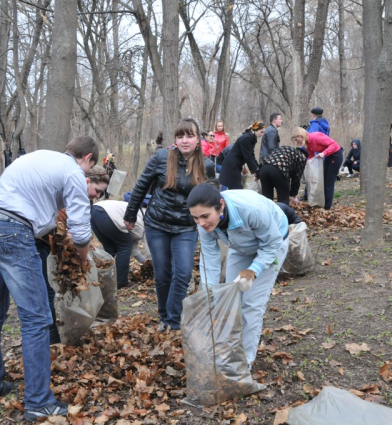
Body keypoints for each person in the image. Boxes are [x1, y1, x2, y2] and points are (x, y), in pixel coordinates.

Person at [0, 135, 99, 421]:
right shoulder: (73, 172)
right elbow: (81, 231)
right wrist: (82, 260)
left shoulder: (38, 157)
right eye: (90, 166)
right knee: (36, 318)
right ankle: (38, 402)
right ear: (88, 159)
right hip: (14, 233)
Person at [123, 119, 214, 331]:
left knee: (182, 273)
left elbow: (211, 196)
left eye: (189, 136)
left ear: (198, 140)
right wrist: (130, 215)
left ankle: (174, 322)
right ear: (175, 139)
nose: (184, 141)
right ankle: (165, 318)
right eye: (180, 136)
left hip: (185, 226)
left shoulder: (206, 165)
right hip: (158, 224)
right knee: (162, 274)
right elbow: (140, 187)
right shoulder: (162, 157)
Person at [188, 184, 289, 366]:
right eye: (195, 218)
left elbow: (272, 243)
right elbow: (210, 259)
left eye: (205, 216)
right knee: (231, 299)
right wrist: (210, 294)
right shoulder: (204, 225)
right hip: (239, 247)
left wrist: (254, 269)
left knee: (251, 304)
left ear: (221, 205)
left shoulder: (252, 210)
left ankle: (244, 362)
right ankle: (227, 351)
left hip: (272, 245)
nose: (201, 223)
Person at [37, 166, 110, 344]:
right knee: (46, 292)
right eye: (97, 190)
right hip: (38, 244)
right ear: (86, 182)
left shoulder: (80, 199)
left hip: (51, 246)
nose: (98, 195)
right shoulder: (66, 195)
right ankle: (52, 340)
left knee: (54, 292)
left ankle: (63, 333)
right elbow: (53, 227)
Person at [91, 199, 147, 289]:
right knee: (124, 246)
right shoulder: (147, 220)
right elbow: (132, 245)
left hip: (95, 211)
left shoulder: (143, 211)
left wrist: (144, 262)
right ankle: (121, 282)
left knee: (110, 249)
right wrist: (149, 262)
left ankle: (98, 278)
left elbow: (133, 246)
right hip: (108, 214)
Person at [292, 127, 343, 210]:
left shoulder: (315, 137)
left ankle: (327, 207)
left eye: (296, 139)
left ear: (300, 136)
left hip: (336, 155)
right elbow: (311, 156)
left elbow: (334, 145)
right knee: (323, 181)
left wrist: (323, 153)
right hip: (328, 156)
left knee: (329, 183)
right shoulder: (307, 143)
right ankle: (322, 203)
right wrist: (308, 164)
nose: (296, 141)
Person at [256, 139, 308, 205]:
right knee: (283, 198)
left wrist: (257, 174)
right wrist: (294, 195)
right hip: (279, 170)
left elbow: (268, 157)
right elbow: (296, 178)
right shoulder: (301, 157)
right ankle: (282, 214)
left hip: (263, 168)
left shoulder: (284, 149)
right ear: (305, 156)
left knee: (267, 198)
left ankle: (266, 214)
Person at [219, 121, 266, 190]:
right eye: (261, 132)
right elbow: (248, 157)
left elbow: (251, 155)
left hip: (235, 165)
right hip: (231, 165)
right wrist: (256, 172)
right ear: (255, 129)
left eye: (263, 132)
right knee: (235, 188)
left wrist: (257, 169)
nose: (262, 134)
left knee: (235, 188)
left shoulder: (252, 138)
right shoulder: (247, 138)